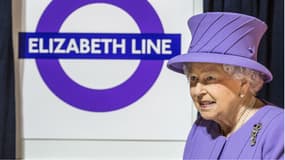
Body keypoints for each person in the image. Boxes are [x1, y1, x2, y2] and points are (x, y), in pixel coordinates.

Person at [167, 12, 284, 159]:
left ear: (243, 83)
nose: (197, 90)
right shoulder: (202, 128)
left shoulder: (278, 128)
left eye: (210, 78)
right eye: (193, 79)